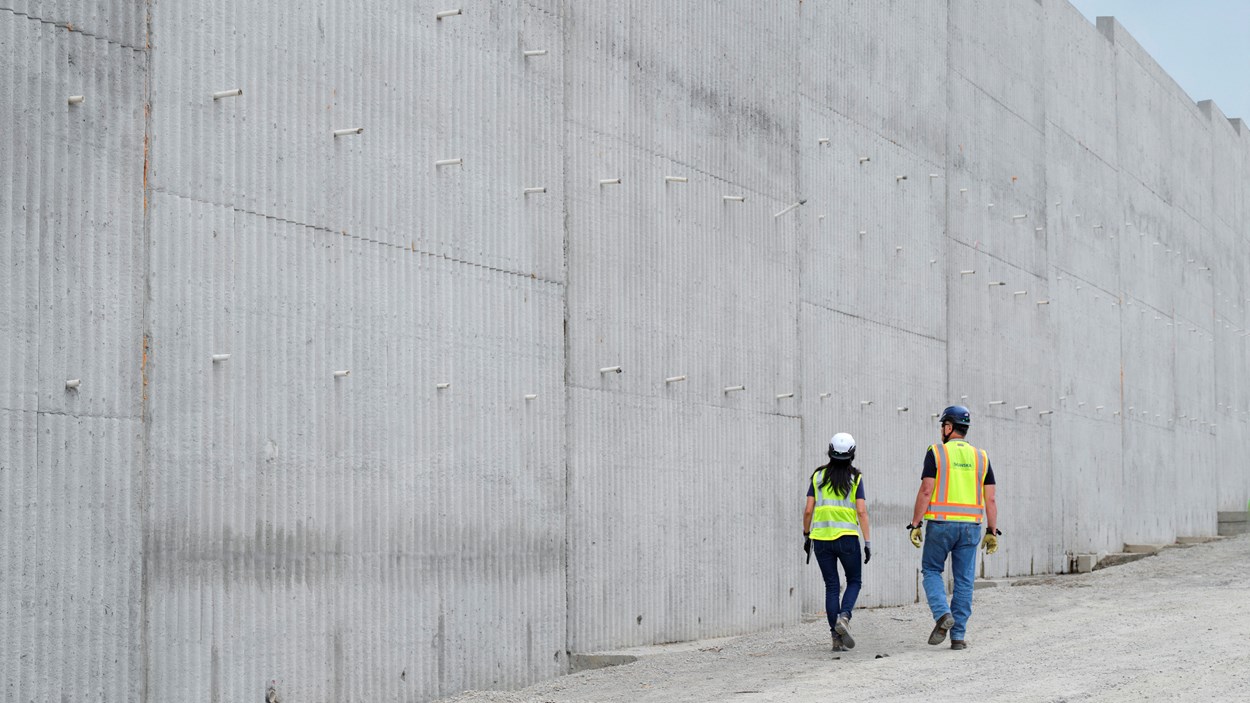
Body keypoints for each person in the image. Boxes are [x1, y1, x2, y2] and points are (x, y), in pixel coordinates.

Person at [906, 405, 1000, 651]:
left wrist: (915, 523)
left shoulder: (936, 453)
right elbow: (990, 498)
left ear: (949, 427)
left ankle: (942, 614)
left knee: (931, 570)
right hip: (971, 527)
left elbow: (926, 490)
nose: (941, 430)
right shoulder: (981, 457)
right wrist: (992, 530)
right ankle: (958, 636)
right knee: (964, 581)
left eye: (943, 426)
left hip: (941, 524)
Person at [803, 433, 871, 651]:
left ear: (830, 451)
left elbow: (808, 510)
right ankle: (845, 616)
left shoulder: (818, 476)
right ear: (852, 453)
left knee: (832, 586)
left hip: (821, 539)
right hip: (847, 538)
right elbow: (861, 511)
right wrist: (867, 542)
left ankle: (836, 637)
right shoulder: (855, 478)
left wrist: (806, 535)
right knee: (854, 581)